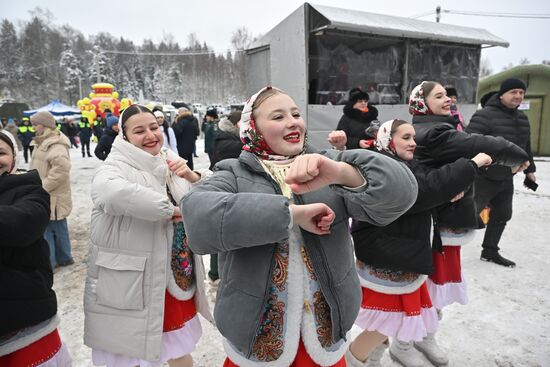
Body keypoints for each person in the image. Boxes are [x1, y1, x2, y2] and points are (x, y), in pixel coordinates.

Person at [181, 86, 418, 367]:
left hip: (325, 334)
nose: (292, 121)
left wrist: (342, 172)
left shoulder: (325, 162)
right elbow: (197, 217)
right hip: (257, 339)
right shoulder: (232, 172)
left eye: (295, 114)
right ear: (252, 127)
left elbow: (403, 192)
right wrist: (291, 215)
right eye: (278, 116)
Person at [346, 120, 492, 367]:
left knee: (383, 320)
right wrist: (471, 164)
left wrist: (445, 197)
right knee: (386, 322)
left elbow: (422, 195)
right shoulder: (383, 168)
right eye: (405, 137)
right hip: (389, 258)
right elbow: (424, 189)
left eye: (413, 137)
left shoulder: (404, 164)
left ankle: (371, 360)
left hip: (398, 256)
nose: (413, 142)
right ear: (387, 140)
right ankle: (351, 362)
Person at [408, 80, 529, 365]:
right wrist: (517, 155)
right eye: (439, 96)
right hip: (438, 223)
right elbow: (481, 143)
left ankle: (423, 337)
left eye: (448, 95)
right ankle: (407, 341)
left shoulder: (439, 126)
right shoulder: (435, 131)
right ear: (422, 104)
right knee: (427, 286)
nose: (448, 99)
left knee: (432, 286)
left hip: (444, 221)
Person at [83, 104, 212, 367]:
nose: (150, 135)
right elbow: (108, 193)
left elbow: (208, 199)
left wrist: (192, 175)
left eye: (154, 127)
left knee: (178, 347)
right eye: (139, 130)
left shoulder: (168, 160)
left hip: (173, 277)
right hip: (134, 282)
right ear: (125, 136)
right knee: (134, 353)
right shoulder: (115, 165)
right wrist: (170, 210)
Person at [0, 130, 72, 366]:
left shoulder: (28, 188)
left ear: (14, 157)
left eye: (1, 152)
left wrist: (49, 182)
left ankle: (64, 257)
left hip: (25, 321)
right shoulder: (43, 144)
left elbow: (23, 224)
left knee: (58, 231)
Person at [467, 78, 537, 267]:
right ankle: (442, 250)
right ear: (502, 94)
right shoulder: (485, 115)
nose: (518, 96)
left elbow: (525, 147)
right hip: (483, 177)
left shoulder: (522, 118)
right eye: (513, 92)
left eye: (521, 93)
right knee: (465, 215)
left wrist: (530, 170)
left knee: (503, 214)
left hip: (507, 177)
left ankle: (489, 251)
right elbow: (469, 143)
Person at [29, 111, 74, 269]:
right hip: (44, 194)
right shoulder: (41, 142)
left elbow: (61, 171)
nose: (33, 127)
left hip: (54, 196)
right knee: (48, 228)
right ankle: (56, 259)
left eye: (36, 124)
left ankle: (59, 259)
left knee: (55, 229)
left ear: (46, 125)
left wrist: (42, 187)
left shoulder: (56, 144)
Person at [207, 111, 244, 284]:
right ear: (236, 124)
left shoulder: (230, 138)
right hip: (225, 192)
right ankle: (216, 273)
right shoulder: (228, 142)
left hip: (230, 191)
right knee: (220, 231)